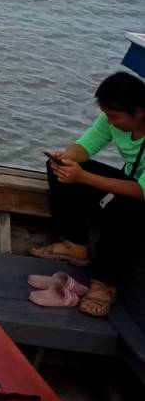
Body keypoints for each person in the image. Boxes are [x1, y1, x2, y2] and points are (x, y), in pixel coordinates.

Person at [31, 71, 145, 317]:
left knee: (123, 206)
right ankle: (75, 246)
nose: (110, 122)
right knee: (59, 167)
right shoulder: (112, 120)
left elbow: (140, 190)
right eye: (107, 115)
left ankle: (104, 284)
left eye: (115, 117)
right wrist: (67, 158)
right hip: (128, 191)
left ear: (139, 112)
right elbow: (85, 146)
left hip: (138, 199)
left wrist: (82, 177)